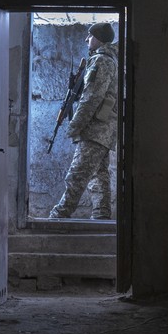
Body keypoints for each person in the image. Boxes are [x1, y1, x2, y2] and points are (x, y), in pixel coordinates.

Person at [49, 22, 119, 220]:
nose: (87, 39)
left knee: (77, 174)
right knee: (99, 174)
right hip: (102, 130)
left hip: (95, 128)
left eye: (90, 36)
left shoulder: (102, 61)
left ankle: (59, 215)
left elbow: (92, 97)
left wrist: (75, 125)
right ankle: (101, 215)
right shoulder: (107, 60)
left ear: (98, 38)